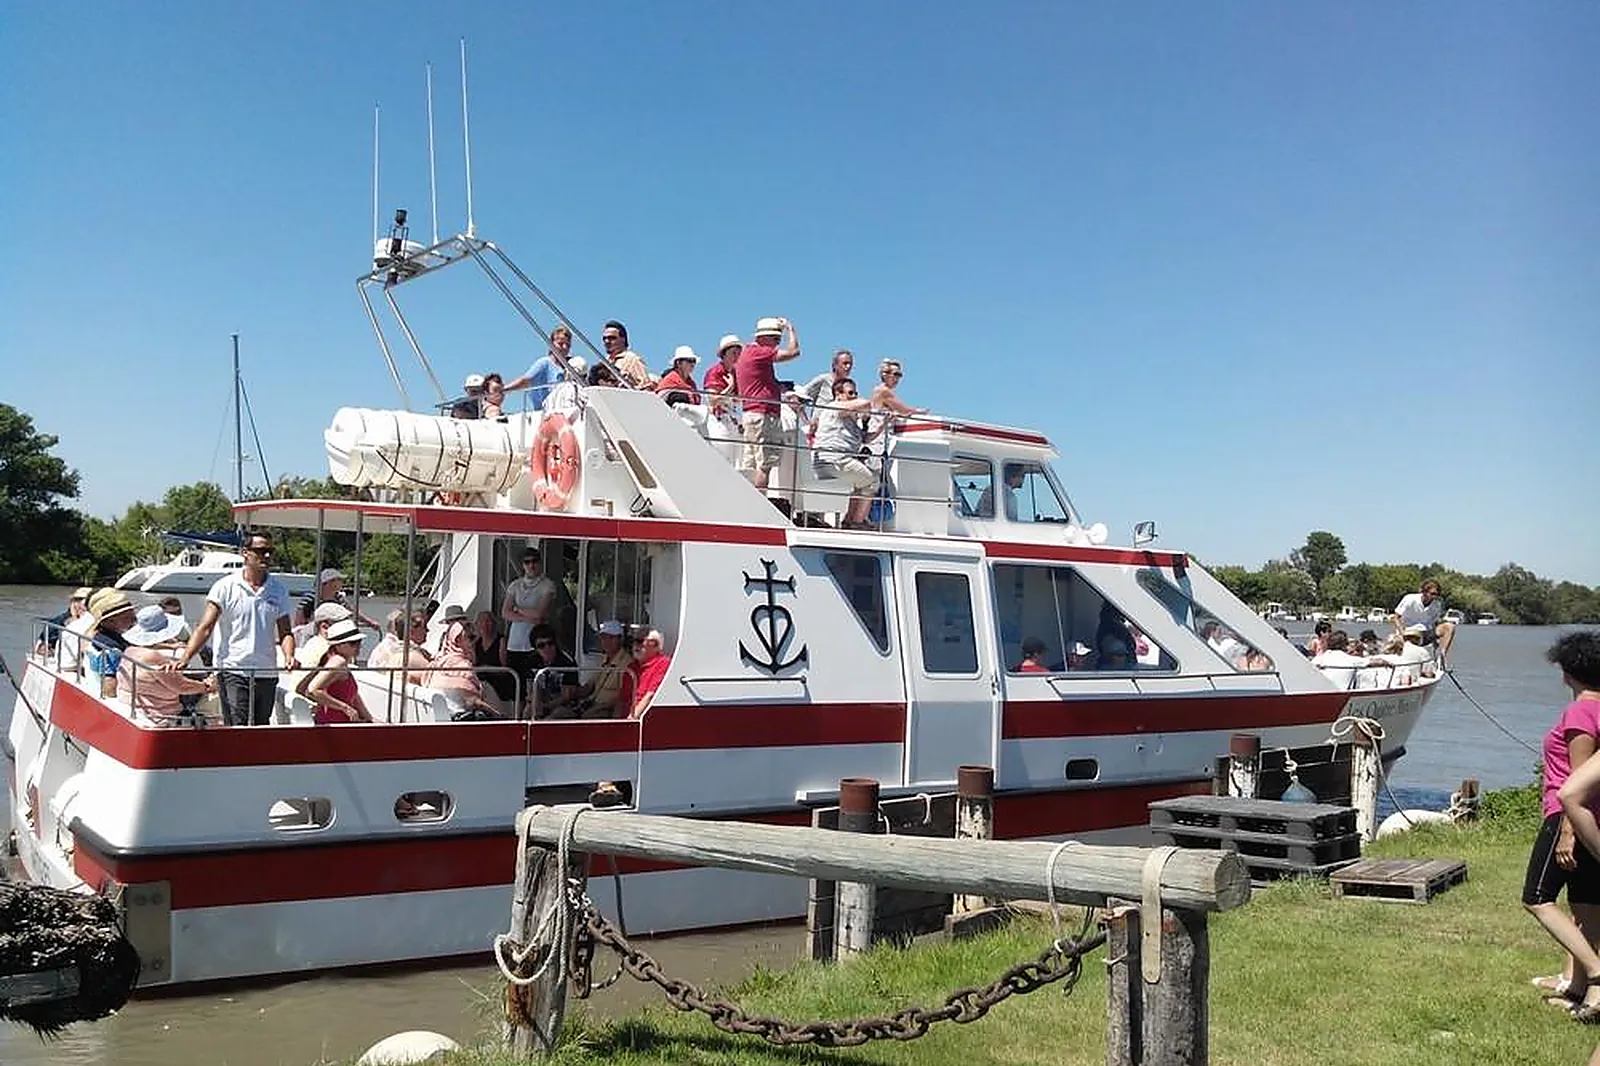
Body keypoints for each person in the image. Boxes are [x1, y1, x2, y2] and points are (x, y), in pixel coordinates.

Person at [1522, 632, 1600, 1022]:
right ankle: (1582, 989)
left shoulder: (1581, 713)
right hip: (1594, 819)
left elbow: (1577, 778)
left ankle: (1597, 974)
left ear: (1569, 671)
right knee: (1586, 906)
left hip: (1566, 816)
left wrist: (1569, 829)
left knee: (1537, 897)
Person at [167, 530, 294, 727]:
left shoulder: (278, 590)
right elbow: (205, 627)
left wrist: (289, 656)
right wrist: (185, 658)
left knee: (262, 726)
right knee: (237, 725)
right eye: (261, 551)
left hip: (266, 671)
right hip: (233, 669)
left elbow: (285, 631)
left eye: (270, 551)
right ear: (245, 553)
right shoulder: (225, 586)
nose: (267, 556)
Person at [735, 317, 802, 492]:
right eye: (776, 339)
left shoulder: (748, 353)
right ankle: (759, 507)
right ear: (764, 337)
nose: (777, 343)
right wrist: (791, 329)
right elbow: (794, 352)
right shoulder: (760, 352)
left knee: (750, 465)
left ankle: (747, 503)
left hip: (751, 414)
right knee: (765, 465)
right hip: (764, 414)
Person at [117, 605, 212, 724]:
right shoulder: (153, 657)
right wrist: (208, 687)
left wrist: (170, 646)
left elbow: (150, 645)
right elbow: (181, 686)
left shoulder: (129, 651)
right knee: (212, 702)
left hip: (135, 707)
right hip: (162, 714)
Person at [811, 378, 881, 528]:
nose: (854, 396)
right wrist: (866, 407)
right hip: (834, 460)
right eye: (850, 393)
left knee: (860, 482)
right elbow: (866, 404)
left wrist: (882, 426)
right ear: (838, 394)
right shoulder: (835, 407)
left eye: (855, 393)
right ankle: (857, 522)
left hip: (839, 460)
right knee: (872, 481)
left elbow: (865, 439)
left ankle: (849, 520)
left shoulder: (849, 417)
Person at [423, 608, 504, 718]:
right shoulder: (461, 666)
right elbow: (473, 701)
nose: (471, 642)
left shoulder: (440, 660)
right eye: (468, 638)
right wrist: (499, 715)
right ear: (457, 640)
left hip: (443, 713)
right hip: (460, 716)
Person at [297, 619, 374, 725]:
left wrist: (369, 720)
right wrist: (345, 708)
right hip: (334, 726)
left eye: (359, 642)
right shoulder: (338, 662)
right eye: (353, 643)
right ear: (338, 645)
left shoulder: (337, 661)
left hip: (336, 724)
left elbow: (353, 696)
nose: (358, 646)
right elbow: (313, 690)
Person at [503, 547, 557, 692]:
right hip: (515, 643)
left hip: (536, 643)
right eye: (527, 562)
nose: (531, 565)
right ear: (523, 565)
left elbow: (540, 614)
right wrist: (528, 616)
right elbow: (505, 613)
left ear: (540, 563)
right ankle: (516, 715)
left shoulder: (548, 585)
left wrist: (518, 609)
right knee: (516, 687)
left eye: (534, 561)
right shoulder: (515, 585)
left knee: (534, 686)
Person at [576, 620, 636, 719]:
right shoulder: (604, 659)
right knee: (560, 712)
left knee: (586, 717)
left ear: (620, 640)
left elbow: (622, 697)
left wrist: (598, 708)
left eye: (611, 638)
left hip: (607, 709)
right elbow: (590, 684)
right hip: (591, 703)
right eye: (603, 637)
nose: (606, 641)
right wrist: (574, 692)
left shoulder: (627, 664)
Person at [507, 324, 575, 408]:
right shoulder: (544, 363)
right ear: (552, 345)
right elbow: (525, 381)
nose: (564, 347)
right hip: (547, 413)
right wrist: (504, 389)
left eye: (567, 345)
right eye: (560, 344)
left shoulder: (570, 367)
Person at [1392, 579, 1456, 661]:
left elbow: (1434, 622)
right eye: (1432, 594)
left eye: (1437, 594)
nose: (1435, 597)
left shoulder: (1437, 604)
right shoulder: (1410, 599)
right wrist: (1402, 633)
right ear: (1424, 592)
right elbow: (1395, 617)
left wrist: (1436, 640)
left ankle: (1442, 657)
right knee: (1414, 633)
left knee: (1450, 627)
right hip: (1409, 632)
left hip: (1425, 633)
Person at [529, 624, 581, 719]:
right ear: (535, 648)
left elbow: (567, 696)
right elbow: (531, 690)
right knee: (526, 712)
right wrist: (536, 706)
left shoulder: (567, 662)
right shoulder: (531, 661)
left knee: (553, 718)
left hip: (565, 706)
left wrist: (546, 707)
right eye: (541, 645)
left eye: (550, 643)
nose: (547, 648)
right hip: (540, 703)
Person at [470, 610, 515, 704]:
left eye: (488, 621)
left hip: (498, 684)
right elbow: (473, 665)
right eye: (481, 621)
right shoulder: (475, 644)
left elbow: (505, 668)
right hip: (481, 684)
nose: (485, 624)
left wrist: (488, 668)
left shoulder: (501, 641)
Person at [630, 630, 671, 717]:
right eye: (634, 640)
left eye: (640, 641)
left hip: (640, 719)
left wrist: (630, 721)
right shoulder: (631, 667)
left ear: (655, 645)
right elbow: (622, 700)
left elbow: (650, 696)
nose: (635, 645)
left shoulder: (663, 663)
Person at [601, 320, 653, 388]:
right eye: (604, 338)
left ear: (623, 339)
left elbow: (647, 387)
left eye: (612, 338)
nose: (607, 341)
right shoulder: (605, 361)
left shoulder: (633, 359)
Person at [704, 335, 741, 413]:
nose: (737, 356)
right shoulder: (714, 372)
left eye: (739, 353)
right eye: (733, 353)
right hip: (716, 419)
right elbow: (712, 401)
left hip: (732, 416)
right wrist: (730, 387)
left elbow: (738, 400)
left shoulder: (736, 373)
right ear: (724, 354)